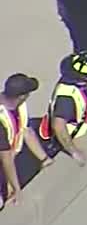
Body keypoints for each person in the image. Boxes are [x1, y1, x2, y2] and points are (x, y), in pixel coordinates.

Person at [37, 51, 87, 167]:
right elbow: (59, 126)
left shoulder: (83, 81)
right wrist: (73, 151)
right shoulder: (67, 98)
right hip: (65, 140)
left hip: (81, 128)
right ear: (86, 78)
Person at [1, 74, 52, 209]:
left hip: (8, 160)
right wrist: (16, 188)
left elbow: (26, 131)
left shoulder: (19, 106)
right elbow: (6, 158)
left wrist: (44, 158)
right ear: (22, 96)